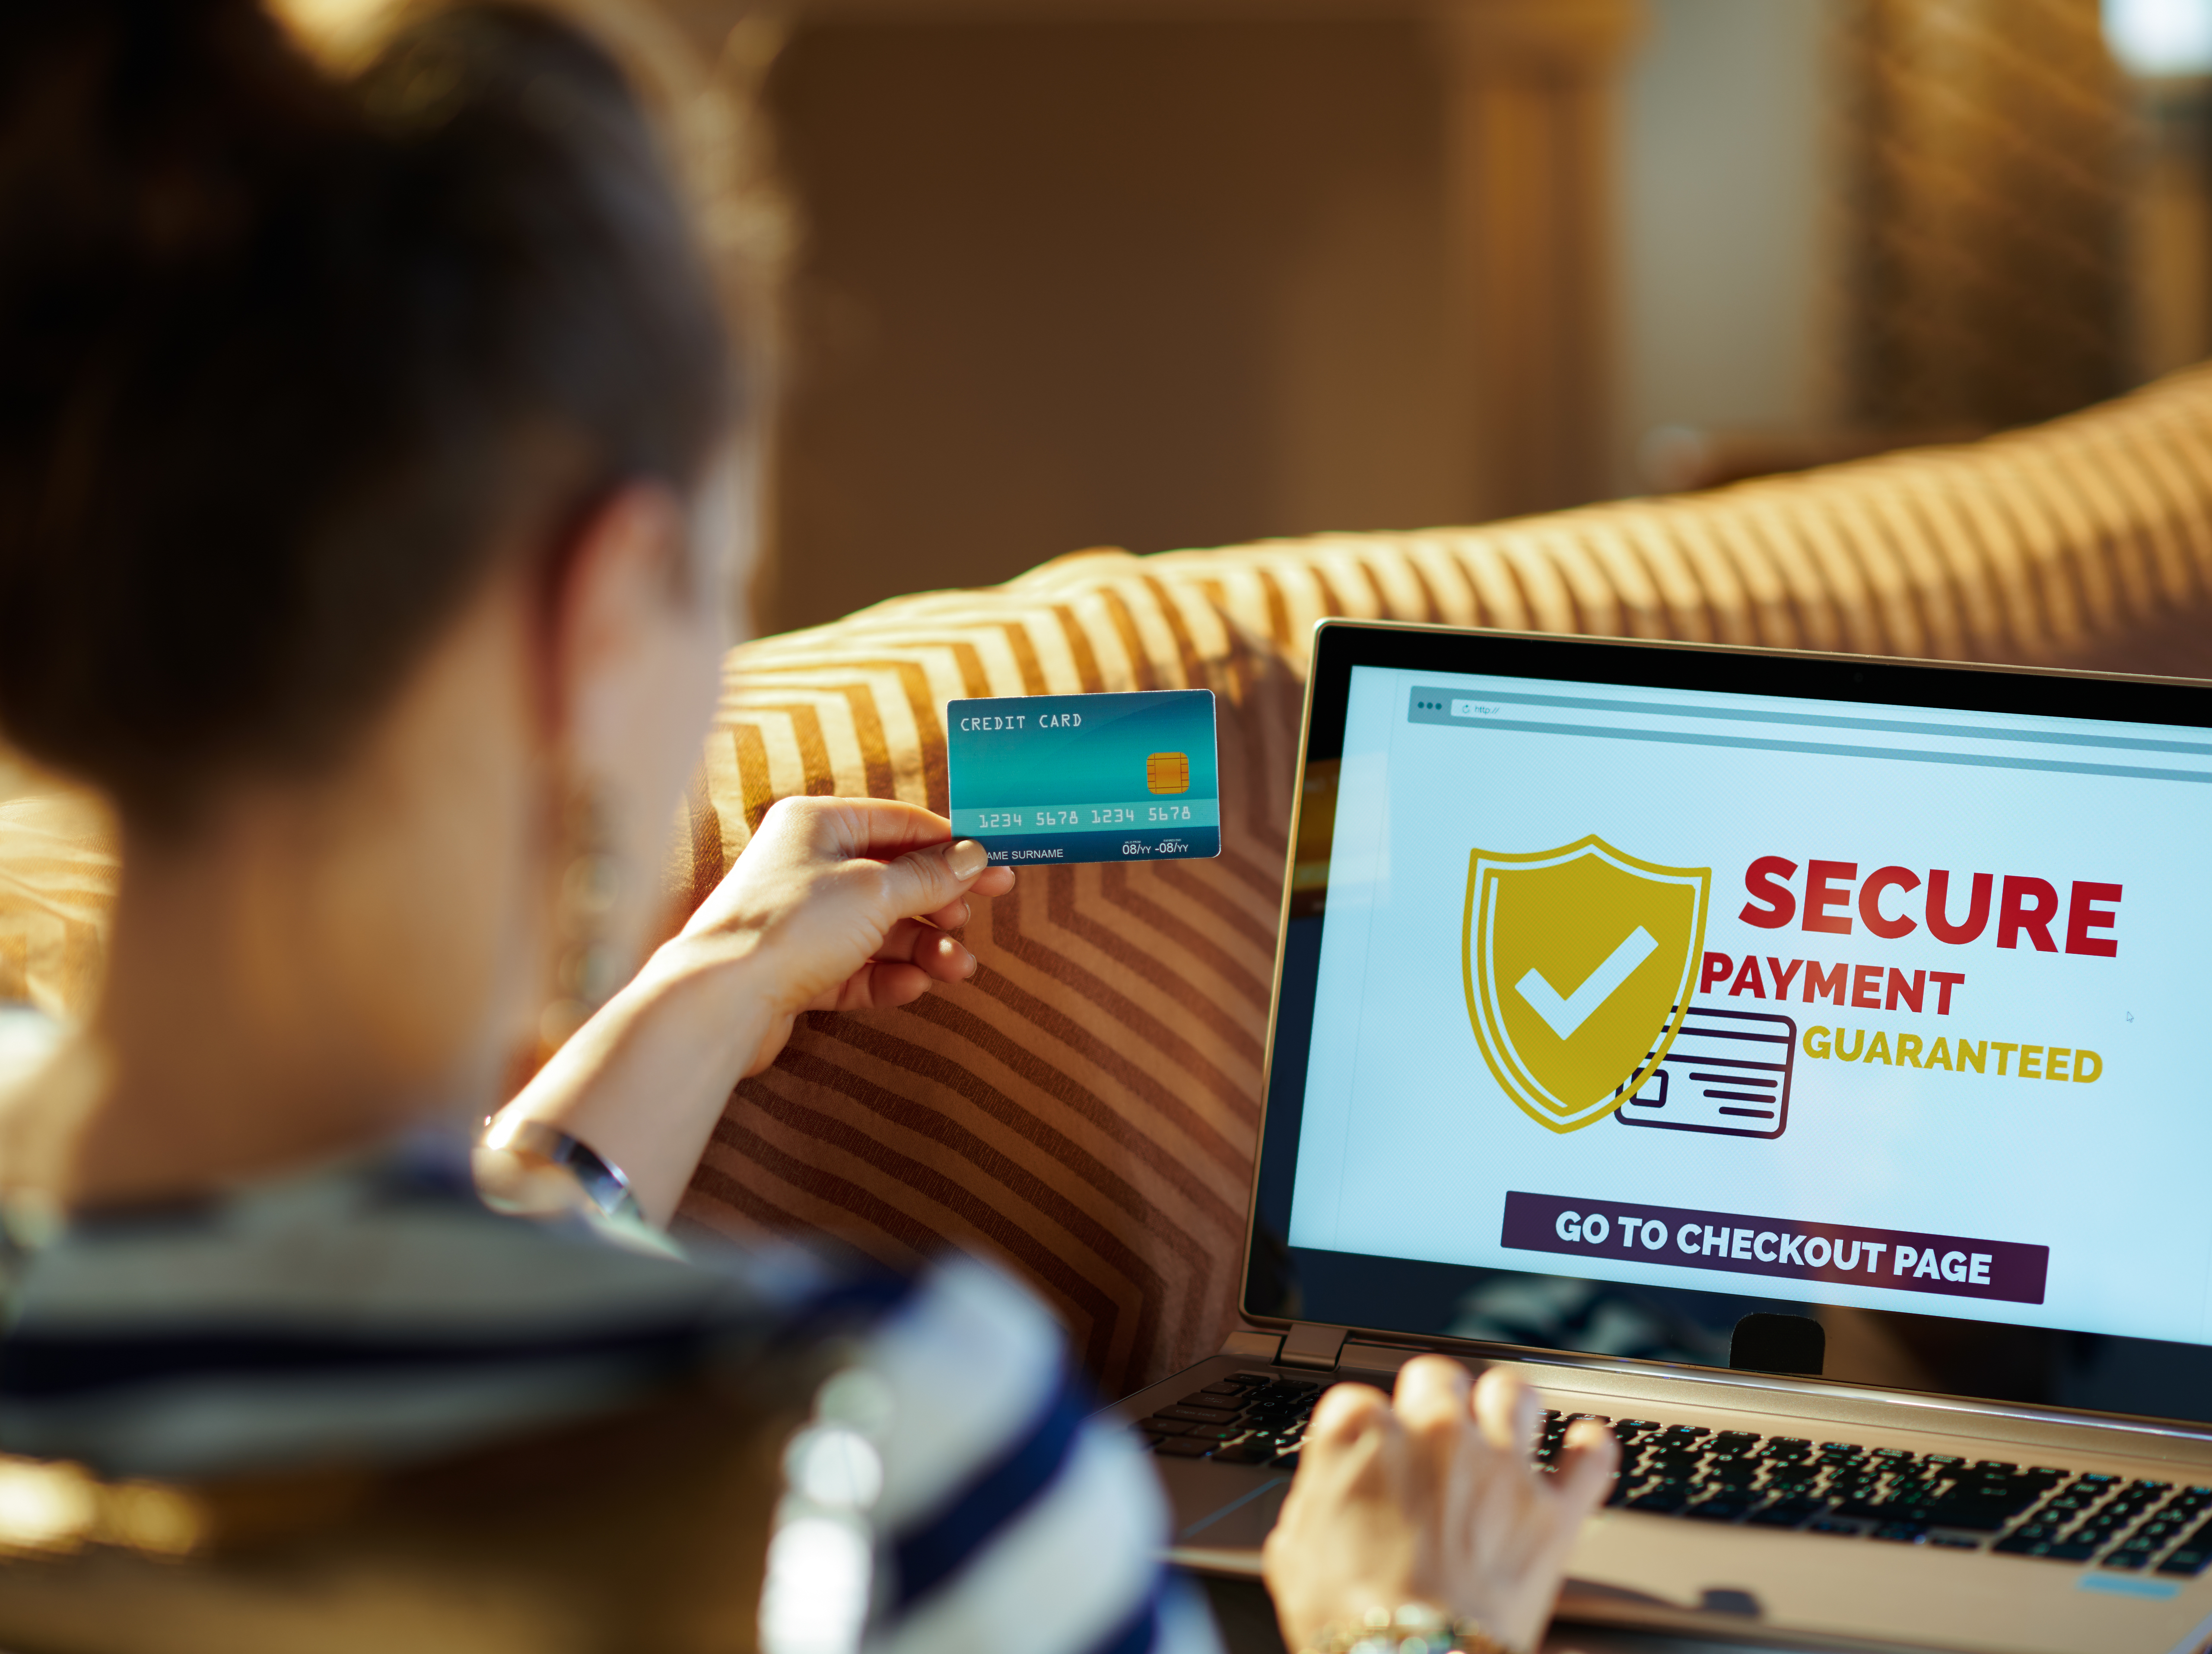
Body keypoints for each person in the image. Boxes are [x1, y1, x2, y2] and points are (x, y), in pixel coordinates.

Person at [0, 3, 1617, 1651]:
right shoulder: (870, 1458)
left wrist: (704, 998)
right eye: (725, 587)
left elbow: (341, 1320)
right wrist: (1412, 1627)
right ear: (609, 611)